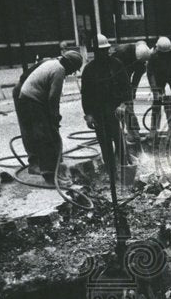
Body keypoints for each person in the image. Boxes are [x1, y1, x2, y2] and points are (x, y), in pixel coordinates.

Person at [14, 50, 83, 185]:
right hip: (31, 101)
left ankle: (51, 168)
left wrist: (52, 117)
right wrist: (54, 117)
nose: (71, 73)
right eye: (73, 70)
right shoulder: (59, 70)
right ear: (69, 65)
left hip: (31, 99)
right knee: (45, 136)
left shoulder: (53, 63)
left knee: (46, 134)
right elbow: (53, 98)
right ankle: (49, 175)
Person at [81, 34, 132, 190]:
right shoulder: (89, 70)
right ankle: (112, 174)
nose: (104, 53)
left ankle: (125, 172)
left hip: (115, 110)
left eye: (106, 50)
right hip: (98, 112)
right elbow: (86, 94)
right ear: (95, 51)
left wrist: (124, 104)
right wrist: (88, 115)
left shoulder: (116, 65)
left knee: (120, 141)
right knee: (105, 144)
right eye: (100, 51)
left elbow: (126, 88)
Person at [110, 40, 150, 138]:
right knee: (116, 108)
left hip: (126, 79)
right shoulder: (122, 52)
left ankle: (132, 132)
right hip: (114, 78)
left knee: (128, 106)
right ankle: (118, 132)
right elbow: (111, 70)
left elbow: (136, 79)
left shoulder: (142, 60)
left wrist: (133, 92)